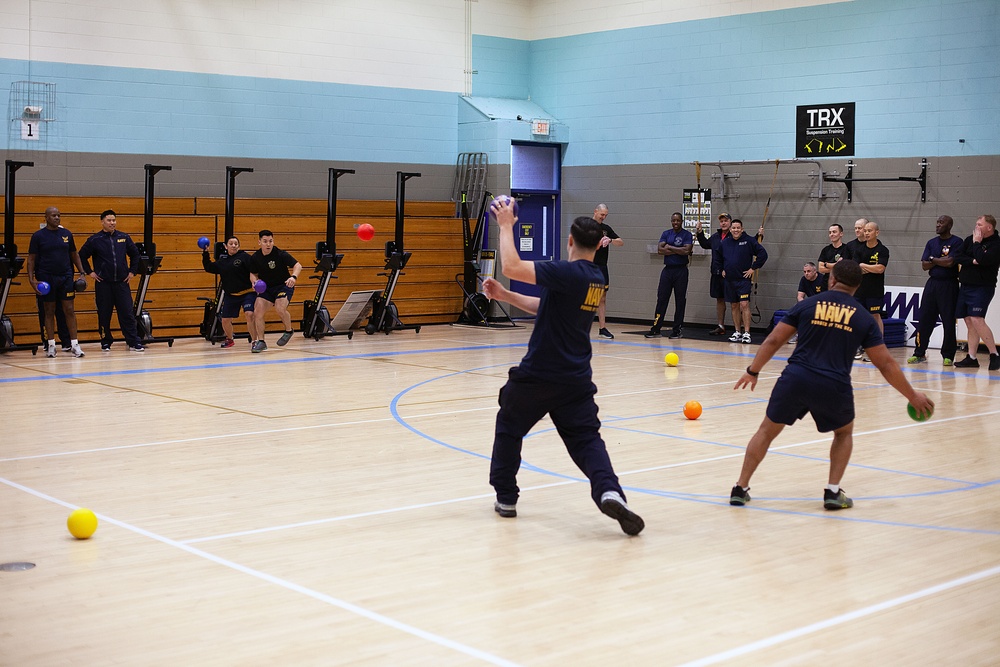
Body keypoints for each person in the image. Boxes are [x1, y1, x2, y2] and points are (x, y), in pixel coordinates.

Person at [481, 200, 644, 536]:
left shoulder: (566, 271)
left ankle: (506, 497)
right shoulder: (595, 277)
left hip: (539, 375)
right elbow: (547, 305)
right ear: (600, 244)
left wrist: (507, 224)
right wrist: (506, 296)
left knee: (509, 427)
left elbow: (511, 265)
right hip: (576, 379)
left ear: (570, 241)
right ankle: (609, 492)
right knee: (587, 440)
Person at [728, 259, 934, 510]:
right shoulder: (863, 317)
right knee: (843, 432)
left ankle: (740, 487)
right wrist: (912, 396)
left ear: (832, 279)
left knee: (766, 431)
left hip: (796, 378)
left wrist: (753, 371)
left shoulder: (807, 305)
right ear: (857, 286)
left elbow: (773, 340)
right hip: (833, 384)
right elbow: (886, 364)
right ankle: (833, 492)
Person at [78, 209, 145, 352]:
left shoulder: (124, 237)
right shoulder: (94, 240)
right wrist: (90, 272)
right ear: (102, 221)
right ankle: (105, 341)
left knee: (127, 313)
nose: (112, 223)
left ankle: (133, 341)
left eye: (114, 220)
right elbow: (81, 255)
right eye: (109, 220)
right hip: (104, 284)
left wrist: (132, 271)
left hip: (122, 283)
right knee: (104, 314)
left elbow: (135, 254)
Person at [25, 207, 87, 358]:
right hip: (46, 277)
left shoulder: (66, 234)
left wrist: (82, 273)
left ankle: (74, 344)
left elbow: (74, 254)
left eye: (59, 215)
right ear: (46, 217)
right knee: (49, 311)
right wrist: (32, 279)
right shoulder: (38, 236)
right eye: (53, 215)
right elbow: (31, 259)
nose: (57, 218)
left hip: (65, 276)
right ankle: (51, 345)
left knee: (69, 310)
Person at [908, 215, 964, 367]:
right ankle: (919, 352)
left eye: (941, 222)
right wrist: (937, 260)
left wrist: (933, 259)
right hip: (932, 284)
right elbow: (924, 265)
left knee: (948, 321)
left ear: (949, 225)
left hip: (949, 285)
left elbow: (950, 262)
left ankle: (948, 355)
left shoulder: (957, 242)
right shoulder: (931, 242)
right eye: (937, 222)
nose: (938, 225)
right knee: (925, 319)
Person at [953, 214, 1000, 370]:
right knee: (968, 320)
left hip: (982, 286)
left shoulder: (996, 244)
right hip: (966, 285)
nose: (976, 227)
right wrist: (973, 261)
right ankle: (972, 357)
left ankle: (994, 354)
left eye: (979, 224)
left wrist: (977, 244)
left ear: (989, 227)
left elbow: (985, 260)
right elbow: (958, 257)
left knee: (977, 318)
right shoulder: (969, 239)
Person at [247, 229, 302, 353]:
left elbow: (298, 265)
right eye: (265, 241)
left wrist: (293, 277)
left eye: (270, 241)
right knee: (257, 311)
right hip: (266, 288)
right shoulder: (255, 257)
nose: (268, 244)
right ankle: (261, 341)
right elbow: (253, 273)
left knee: (280, 307)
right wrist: (254, 282)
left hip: (283, 286)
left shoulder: (280, 254)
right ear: (259, 242)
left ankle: (289, 330)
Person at [202, 236, 262, 349]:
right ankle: (230, 339)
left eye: (236, 244)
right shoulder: (222, 261)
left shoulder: (244, 257)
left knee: (250, 314)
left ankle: (255, 341)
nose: (233, 245)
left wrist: (258, 281)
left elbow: (255, 270)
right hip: (231, 295)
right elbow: (209, 267)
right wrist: (205, 252)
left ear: (239, 246)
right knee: (225, 320)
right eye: (231, 243)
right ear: (226, 246)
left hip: (247, 293)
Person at [644, 211, 692, 338]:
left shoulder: (686, 234)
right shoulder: (666, 233)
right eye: (673, 220)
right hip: (667, 270)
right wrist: (678, 250)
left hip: (681, 271)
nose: (675, 222)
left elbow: (687, 250)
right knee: (662, 299)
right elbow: (660, 250)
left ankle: (677, 330)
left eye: (678, 220)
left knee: (680, 301)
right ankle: (656, 328)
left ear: (682, 221)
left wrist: (669, 247)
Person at [720, 219, 767, 344]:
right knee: (734, 305)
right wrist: (721, 269)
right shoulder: (725, 243)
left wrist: (753, 268)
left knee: (744, 305)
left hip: (743, 280)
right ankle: (737, 332)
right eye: (733, 228)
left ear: (742, 229)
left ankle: (746, 333)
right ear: (730, 229)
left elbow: (763, 254)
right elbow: (718, 257)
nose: (736, 230)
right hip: (730, 280)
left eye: (738, 228)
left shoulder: (749, 241)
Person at [853, 220, 889, 361]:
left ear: (877, 232)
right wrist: (867, 268)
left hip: (875, 291)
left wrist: (863, 265)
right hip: (859, 290)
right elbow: (856, 269)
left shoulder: (882, 250)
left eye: (869, 231)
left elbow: (880, 269)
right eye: (865, 231)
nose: (866, 233)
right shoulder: (859, 250)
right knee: (857, 318)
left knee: (875, 316)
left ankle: (878, 348)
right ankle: (858, 346)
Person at [696, 212, 732, 335]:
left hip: (730, 274)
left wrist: (759, 235)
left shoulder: (736, 236)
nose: (723, 223)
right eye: (721, 221)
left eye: (726, 220)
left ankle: (739, 328)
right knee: (719, 300)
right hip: (716, 273)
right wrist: (700, 233)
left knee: (735, 301)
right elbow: (705, 244)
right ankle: (721, 326)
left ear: (730, 222)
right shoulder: (716, 236)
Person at [591, 204, 623, 339]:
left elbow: (620, 241)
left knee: (602, 298)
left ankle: (602, 328)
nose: (603, 217)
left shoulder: (606, 229)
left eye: (605, 215)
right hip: (589, 266)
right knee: (589, 297)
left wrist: (610, 240)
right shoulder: (586, 226)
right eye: (601, 214)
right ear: (595, 211)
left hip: (602, 266)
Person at [817, 222, 851, 287]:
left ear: (841, 234)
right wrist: (836, 267)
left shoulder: (847, 249)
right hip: (826, 283)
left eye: (834, 232)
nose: (831, 234)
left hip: (841, 283)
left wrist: (826, 264)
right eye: (830, 232)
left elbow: (843, 269)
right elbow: (821, 269)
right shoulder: (826, 250)